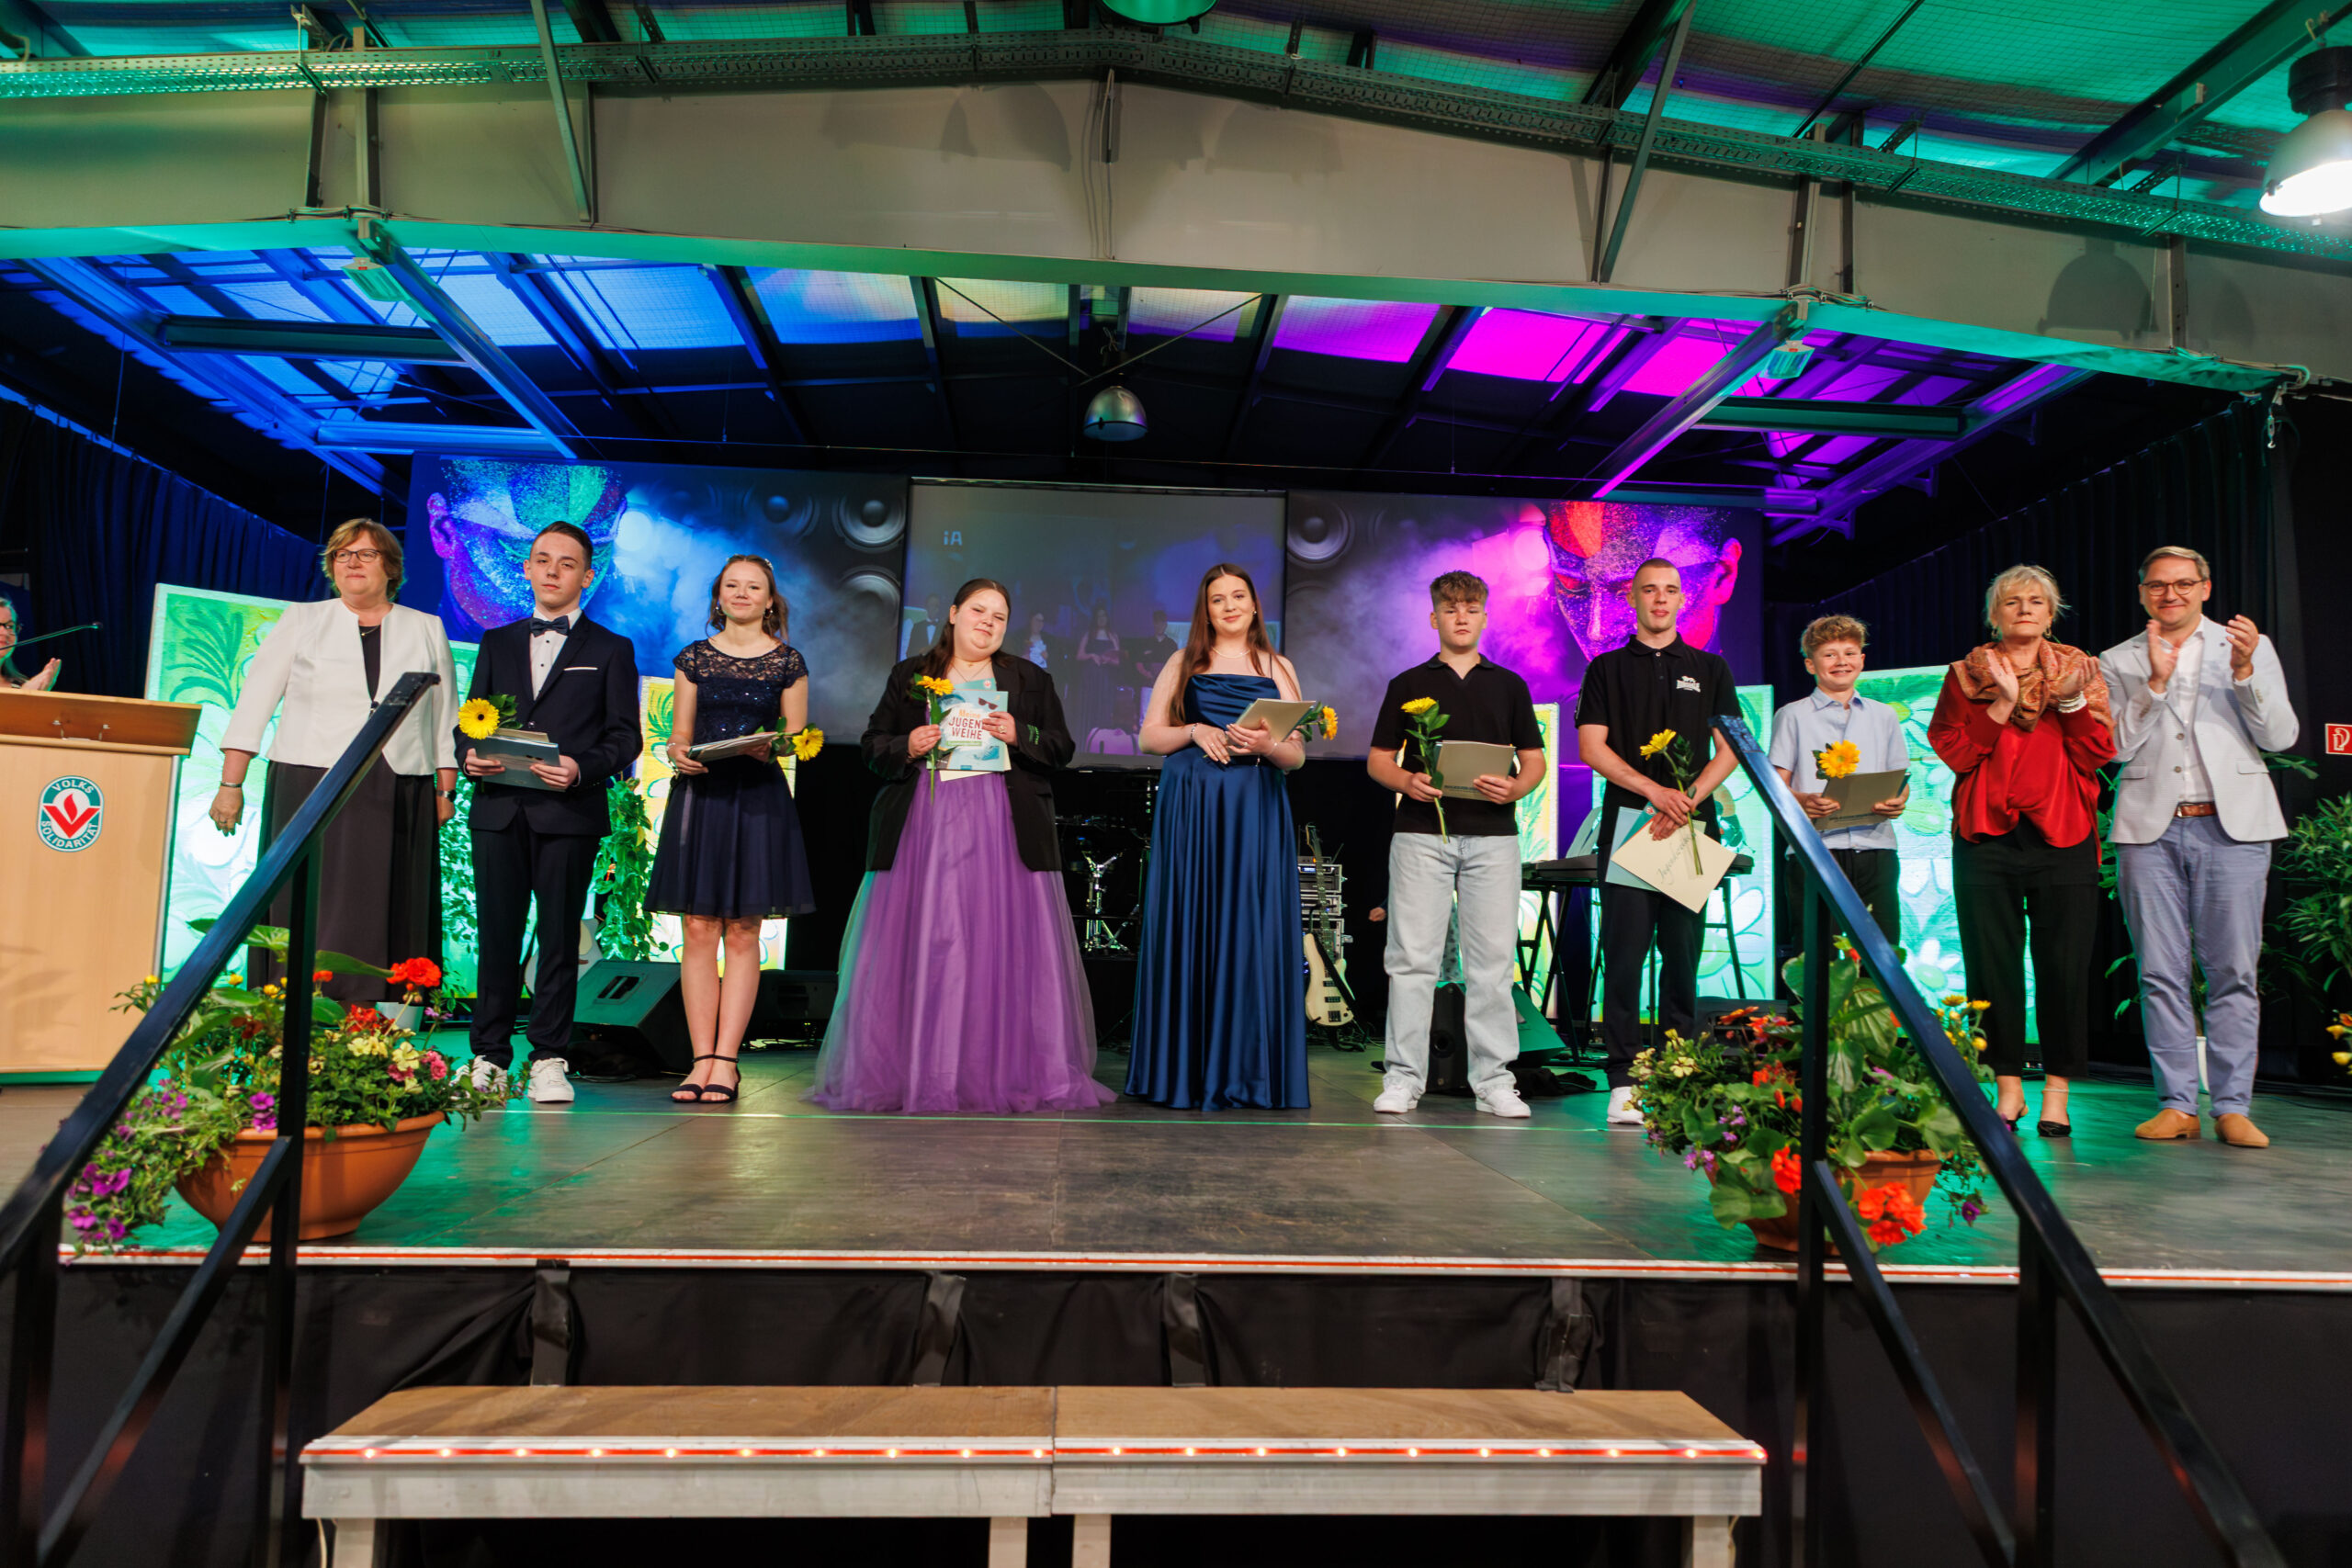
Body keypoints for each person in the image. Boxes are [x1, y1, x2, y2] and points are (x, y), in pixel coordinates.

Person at [809, 578, 1113, 1113]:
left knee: (999, 948)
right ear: (952, 614)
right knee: (932, 944)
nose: (988, 622)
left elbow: (1061, 747)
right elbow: (873, 746)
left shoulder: (1029, 679)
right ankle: (921, 1070)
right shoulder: (911, 674)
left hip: (1004, 827)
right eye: (978, 610)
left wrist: (1021, 735)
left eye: (999, 616)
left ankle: (994, 1070)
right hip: (924, 826)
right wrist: (908, 744)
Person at [2099, 547, 2297, 1149]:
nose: (2172, 594)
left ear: (2205, 588)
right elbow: (2113, 747)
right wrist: (2155, 684)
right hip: (2149, 830)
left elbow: (2281, 736)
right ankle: (2178, 1104)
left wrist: (2244, 674)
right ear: (2142, 593)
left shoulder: (2248, 647)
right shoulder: (2119, 659)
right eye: (2158, 585)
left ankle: (2233, 1106)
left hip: (2233, 827)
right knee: (2160, 972)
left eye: (2184, 583)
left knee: (2234, 970)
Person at [214, 520, 459, 1003]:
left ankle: (378, 1015)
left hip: (396, 782)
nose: (352, 562)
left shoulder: (426, 627)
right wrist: (230, 784)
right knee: (308, 899)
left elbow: (443, 714)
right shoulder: (301, 620)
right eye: (342, 555)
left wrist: (445, 790)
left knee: (380, 902)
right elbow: (254, 704)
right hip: (308, 779)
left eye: (366, 554)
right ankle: (292, 1005)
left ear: (390, 567)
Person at [459, 522, 642, 1105]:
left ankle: (548, 1058)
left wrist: (581, 768)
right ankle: (488, 1056)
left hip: (568, 811)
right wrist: (469, 756)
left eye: (566, 563)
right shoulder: (497, 641)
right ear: (527, 568)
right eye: (542, 559)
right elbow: (472, 718)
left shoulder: (611, 648)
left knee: (561, 939)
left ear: (587, 576)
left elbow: (626, 737)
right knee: (497, 935)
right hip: (498, 808)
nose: (552, 571)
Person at [1928, 565, 2114, 1138]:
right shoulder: (1967, 675)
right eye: (2012, 601)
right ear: (1995, 614)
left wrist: (2071, 701)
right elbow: (1956, 753)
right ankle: (2007, 1088)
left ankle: (2057, 1094)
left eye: (2036, 601)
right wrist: (2002, 703)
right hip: (1986, 838)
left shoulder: (2080, 670)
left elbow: (2098, 753)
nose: (2025, 609)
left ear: (2051, 614)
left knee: (2064, 968)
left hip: (2064, 834)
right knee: (1993, 968)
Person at [1125, 564, 1311, 1111]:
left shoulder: (1278, 666)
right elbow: (1148, 738)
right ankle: (1184, 1071)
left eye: (1238, 596)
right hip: (1194, 807)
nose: (1229, 606)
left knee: (1249, 925)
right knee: (1193, 921)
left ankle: (1246, 1073)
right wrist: (1194, 730)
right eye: (1217, 599)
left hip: (1254, 807)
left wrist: (1268, 747)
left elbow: (1297, 756)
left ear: (1254, 605)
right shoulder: (1183, 662)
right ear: (1205, 610)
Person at [1365, 570, 1547, 1118]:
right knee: (1411, 961)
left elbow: (1533, 760)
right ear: (1434, 618)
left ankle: (1494, 1080)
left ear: (1485, 617)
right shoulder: (1407, 683)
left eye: (1471, 608)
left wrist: (1516, 787)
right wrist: (1407, 781)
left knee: (1492, 964)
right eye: (1450, 609)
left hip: (1493, 838)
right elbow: (1378, 761)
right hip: (1421, 834)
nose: (1461, 617)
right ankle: (1403, 1078)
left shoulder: (1509, 685)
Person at [646, 555, 818, 1105]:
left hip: (758, 799)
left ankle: (727, 1061)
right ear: (718, 596)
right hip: (702, 795)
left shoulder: (788, 661)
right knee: (698, 929)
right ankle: (700, 1060)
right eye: (732, 586)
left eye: (754, 587)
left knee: (744, 930)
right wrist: (677, 752)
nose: (742, 593)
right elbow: (680, 734)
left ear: (770, 600)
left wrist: (774, 744)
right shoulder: (694, 657)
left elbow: (797, 738)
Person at [1576, 558, 1740, 1128]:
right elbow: (1591, 747)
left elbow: (1730, 749)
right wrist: (1653, 792)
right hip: (1630, 823)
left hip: (1691, 827)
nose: (1661, 599)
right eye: (1650, 590)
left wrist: (1686, 798)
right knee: (1623, 958)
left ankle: (1676, 1073)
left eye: (1670, 590)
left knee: (1683, 958)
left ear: (1682, 599)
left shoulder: (1710, 667)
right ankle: (1623, 1079)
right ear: (1633, 598)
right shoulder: (1606, 668)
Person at [1768, 615, 1910, 945]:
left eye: (1849, 653)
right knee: (1815, 953)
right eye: (1829, 654)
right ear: (1810, 664)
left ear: (1862, 659)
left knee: (1883, 950)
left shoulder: (1884, 715)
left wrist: (1898, 801)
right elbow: (1776, 785)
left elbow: (1900, 780)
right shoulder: (1792, 715)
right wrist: (1803, 800)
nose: (1841, 661)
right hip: (1815, 849)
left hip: (1876, 848)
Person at [1070, 605, 1123, 744]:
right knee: (1089, 709)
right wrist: (1091, 655)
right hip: (1090, 678)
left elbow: (1118, 661)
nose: (1101, 619)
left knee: (1104, 709)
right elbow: (1079, 655)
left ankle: (1102, 744)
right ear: (1095, 618)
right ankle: (1086, 743)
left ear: (1107, 618)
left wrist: (1108, 659)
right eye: (1099, 616)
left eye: (1104, 615)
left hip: (1106, 679)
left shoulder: (1113, 636)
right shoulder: (1089, 634)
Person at [0, 598, 61, 691]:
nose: (5, 633)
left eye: (10, 626)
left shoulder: (22, 685)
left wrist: (37, 696)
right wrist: (24, 694)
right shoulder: (26, 689)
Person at [1131, 608, 1177, 724]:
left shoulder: (1171, 644)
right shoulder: (1146, 643)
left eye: (1162, 622)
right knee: (1145, 716)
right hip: (1148, 684)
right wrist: (1146, 673)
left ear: (1166, 624)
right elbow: (1139, 663)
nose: (1159, 625)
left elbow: (1176, 666)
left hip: (1165, 686)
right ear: (1153, 624)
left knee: (1165, 716)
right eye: (1157, 622)